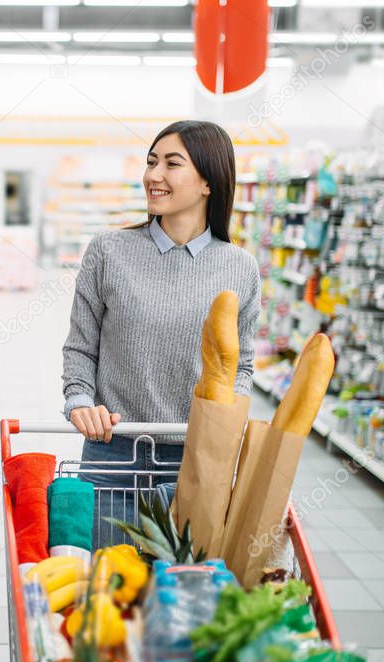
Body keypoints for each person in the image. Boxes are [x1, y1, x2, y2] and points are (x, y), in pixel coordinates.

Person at [61, 120, 261, 546]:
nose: (154, 175)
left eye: (172, 164)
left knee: (180, 597)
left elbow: (240, 368)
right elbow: (80, 347)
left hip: (196, 460)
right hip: (113, 452)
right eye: (151, 162)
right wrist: (79, 401)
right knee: (110, 592)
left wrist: (224, 424)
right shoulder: (108, 251)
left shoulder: (240, 267)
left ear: (209, 181)